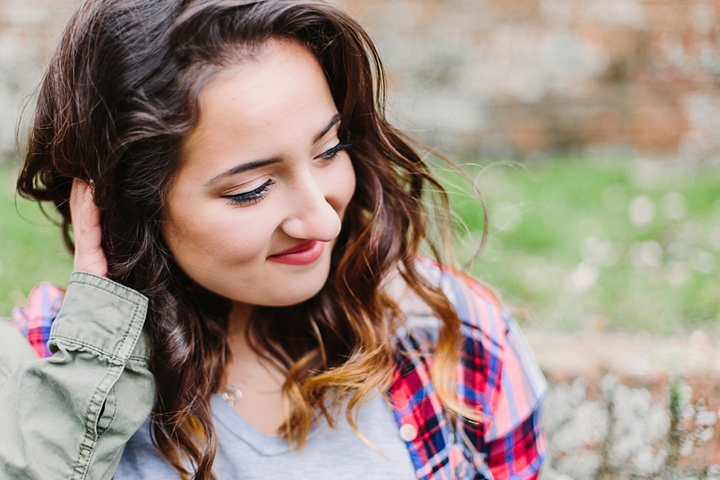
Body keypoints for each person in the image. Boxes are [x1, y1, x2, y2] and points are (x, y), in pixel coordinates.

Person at [0, 0, 547, 479]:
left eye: (329, 150)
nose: (324, 222)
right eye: (251, 190)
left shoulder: (452, 333)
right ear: (124, 206)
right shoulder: (42, 368)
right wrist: (90, 373)